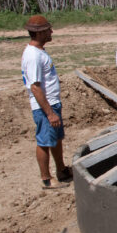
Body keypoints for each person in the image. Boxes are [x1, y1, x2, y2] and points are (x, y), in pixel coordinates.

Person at [21, 15, 72, 190]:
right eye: (48, 30)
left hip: (52, 103)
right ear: (39, 33)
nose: (51, 32)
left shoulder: (39, 52)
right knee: (44, 142)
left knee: (56, 139)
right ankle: (46, 179)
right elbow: (35, 87)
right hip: (44, 107)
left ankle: (62, 170)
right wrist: (49, 113)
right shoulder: (33, 56)